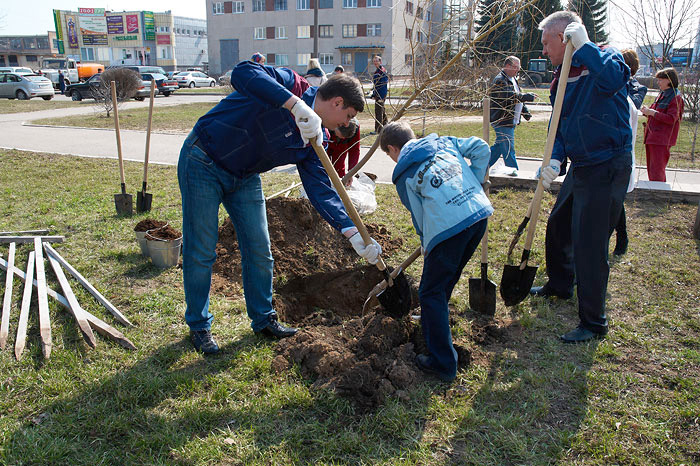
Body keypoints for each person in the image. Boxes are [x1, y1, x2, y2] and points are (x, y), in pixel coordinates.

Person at [178, 61, 382, 354]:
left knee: (260, 250)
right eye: (347, 116)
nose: (346, 125)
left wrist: (351, 232)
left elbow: (320, 189)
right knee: (201, 250)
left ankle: (263, 319)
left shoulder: (316, 138)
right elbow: (243, 73)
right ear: (337, 102)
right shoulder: (291, 85)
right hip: (203, 160)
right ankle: (199, 325)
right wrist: (295, 106)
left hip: (245, 176)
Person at [529, 11, 633, 343]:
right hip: (582, 164)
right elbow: (560, 122)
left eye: (546, 43)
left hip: (608, 163)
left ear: (565, 37)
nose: (544, 51)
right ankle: (560, 285)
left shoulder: (601, 57)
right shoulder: (561, 76)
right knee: (559, 224)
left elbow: (616, 79)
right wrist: (555, 159)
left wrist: (586, 46)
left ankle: (593, 322)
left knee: (589, 244)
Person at [379, 121, 493, 382]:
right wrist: (475, 181)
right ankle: (435, 316)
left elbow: (419, 217)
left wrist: (426, 244)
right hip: (478, 216)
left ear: (393, 148)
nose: (392, 159)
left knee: (429, 291)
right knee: (443, 280)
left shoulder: (403, 173)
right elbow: (481, 148)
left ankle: (442, 364)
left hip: (448, 229)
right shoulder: (443, 141)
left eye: (389, 154)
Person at [613, 49, 648, 255]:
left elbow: (629, 110)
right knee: (614, 199)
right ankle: (620, 237)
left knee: (617, 199)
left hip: (622, 150)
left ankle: (622, 237)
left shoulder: (635, 89)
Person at [488, 56, 536, 176]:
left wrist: (525, 112)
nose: (517, 70)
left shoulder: (513, 79)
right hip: (502, 120)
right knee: (509, 149)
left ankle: (479, 167)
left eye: (518, 68)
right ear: (507, 66)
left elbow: (517, 98)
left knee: (499, 147)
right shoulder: (500, 80)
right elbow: (508, 96)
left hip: (510, 120)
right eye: (515, 67)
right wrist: (526, 96)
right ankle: (514, 174)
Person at [641, 67, 684, 182]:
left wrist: (653, 113)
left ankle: (659, 195)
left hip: (661, 139)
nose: (658, 82)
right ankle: (653, 192)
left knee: (657, 169)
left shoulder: (676, 97)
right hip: (652, 137)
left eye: (661, 79)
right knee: (652, 168)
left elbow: (671, 119)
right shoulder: (662, 94)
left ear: (669, 80)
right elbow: (655, 113)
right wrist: (647, 112)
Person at [327, 117, 360, 185]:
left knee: (339, 168)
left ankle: (339, 187)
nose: (342, 138)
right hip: (326, 142)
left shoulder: (355, 128)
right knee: (322, 167)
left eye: (345, 137)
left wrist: (351, 172)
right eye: (341, 136)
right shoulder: (327, 122)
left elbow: (354, 150)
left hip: (341, 147)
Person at [371, 55, 389, 134]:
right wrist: (373, 93)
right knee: (382, 111)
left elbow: (382, 85)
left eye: (377, 61)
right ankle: (386, 127)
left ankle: (378, 130)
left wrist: (378, 96)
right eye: (374, 61)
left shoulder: (382, 71)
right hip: (378, 94)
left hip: (381, 94)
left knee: (378, 111)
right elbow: (376, 85)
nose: (375, 62)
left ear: (380, 62)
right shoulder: (377, 71)